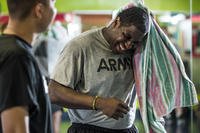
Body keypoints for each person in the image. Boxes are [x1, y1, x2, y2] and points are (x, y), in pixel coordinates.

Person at [49, 5, 149, 133]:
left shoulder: (137, 51)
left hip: (127, 129)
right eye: (127, 36)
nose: (128, 45)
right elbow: (54, 93)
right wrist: (98, 103)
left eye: (135, 42)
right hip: (88, 129)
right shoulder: (80, 46)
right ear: (116, 22)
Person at [0, 0, 57, 133]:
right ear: (39, 10)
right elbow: (14, 130)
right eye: (53, 4)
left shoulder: (10, 50)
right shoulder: (17, 57)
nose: (55, 11)